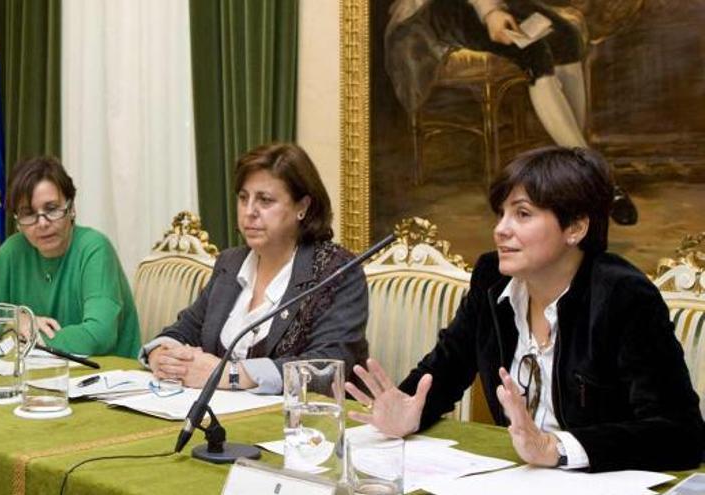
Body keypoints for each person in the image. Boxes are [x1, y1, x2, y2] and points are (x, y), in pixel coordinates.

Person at [347, 146, 703, 472]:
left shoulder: (623, 296)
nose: (501, 229)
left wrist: (556, 448)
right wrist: (410, 411)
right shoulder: (492, 281)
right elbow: (445, 367)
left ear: (576, 227)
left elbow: (680, 435)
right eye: (502, 214)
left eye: (522, 214)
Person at [384, 0, 638, 225]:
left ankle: (575, 172)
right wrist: (491, 12)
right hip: (440, 9)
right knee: (534, 51)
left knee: (567, 37)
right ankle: (597, 179)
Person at [143, 143, 369, 394]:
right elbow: (184, 329)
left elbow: (328, 368)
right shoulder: (230, 263)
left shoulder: (337, 271)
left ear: (302, 207)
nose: (249, 212)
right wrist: (160, 356)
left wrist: (230, 375)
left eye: (265, 200)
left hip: (302, 423)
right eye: (243, 198)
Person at [0, 156, 141, 357]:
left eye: (51, 209)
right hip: (38, 373)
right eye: (28, 213)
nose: (42, 223)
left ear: (72, 209)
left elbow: (99, 335)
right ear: (18, 221)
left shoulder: (94, 248)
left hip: (107, 377)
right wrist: (13, 321)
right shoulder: (14, 249)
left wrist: (20, 337)